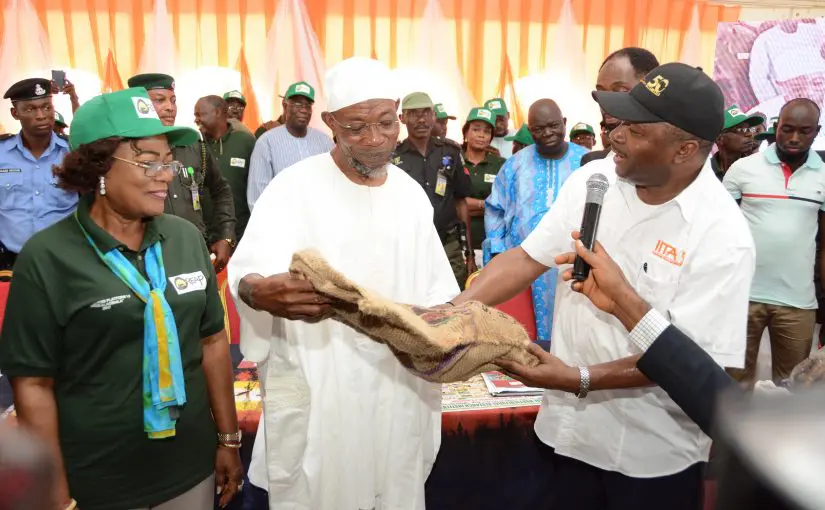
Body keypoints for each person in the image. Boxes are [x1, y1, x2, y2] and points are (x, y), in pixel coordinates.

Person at [456, 63, 755, 510]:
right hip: (564, 434)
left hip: (649, 456)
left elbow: (693, 364)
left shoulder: (722, 235)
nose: (615, 135)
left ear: (685, 149)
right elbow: (526, 258)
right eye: (619, 121)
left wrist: (578, 378)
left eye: (636, 129)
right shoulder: (593, 181)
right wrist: (450, 312)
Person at [228, 57, 458, 510]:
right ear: (330, 123)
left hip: (397, 385)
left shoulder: (410, 196)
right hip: (321, 383)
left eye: (385, 123)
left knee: (393, 485)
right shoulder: (293, 188)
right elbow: (246, 274)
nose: (374, 139)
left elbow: (438, 291)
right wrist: (260, 291)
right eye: (355, 128)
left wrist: (449, 325)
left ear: (398, 113)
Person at [0, 87, 243, 510]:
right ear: (97, 167)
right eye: (149, 162)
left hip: (190, 467)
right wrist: (54, 494)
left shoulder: (185, 238)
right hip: (96, 478)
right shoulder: (48, 257)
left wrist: (228, 439)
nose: (166, 175)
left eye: (168, 160)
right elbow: (33, 384)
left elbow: (212, 341)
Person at [723, 98, 823, 384]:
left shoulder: (823, 176)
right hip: (741, 296)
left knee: (792, 387)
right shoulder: (742, 170)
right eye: (787, 129)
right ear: (777, 126)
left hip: (798, 302)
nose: (794, 138)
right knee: (733, 387)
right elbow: (720, 235)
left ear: (816, 132)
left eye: (804, 131)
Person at [484, 99, 587, 342]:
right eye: (539, 129)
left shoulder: (586, 161)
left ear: (564, 123)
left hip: (573, 265)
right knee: (524, 336)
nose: (547, 133)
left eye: (553, 126)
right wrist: (499, 251)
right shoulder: (515, 165)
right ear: (530, 131)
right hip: (524, 264)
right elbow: (495, 208)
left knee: (571, 335)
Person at [127, 73, 237, 274]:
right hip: (147, 260)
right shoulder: (124, 153)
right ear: (137, 104)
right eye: (159, 100)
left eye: (173, 100)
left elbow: (221, 190)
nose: (170, 107)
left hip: (194, 253)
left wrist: (226, 235)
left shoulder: (193, 145)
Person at [395, 92, 475, 288]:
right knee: (413, 297)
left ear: (433, 116)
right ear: (402, 118)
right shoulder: (393, 158)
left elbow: (461, 202)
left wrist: (469, 253)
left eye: (426, 112)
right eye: (414, 113)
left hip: (449, 245)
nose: (421, 119)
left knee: (455, 297)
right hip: (409, 247)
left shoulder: (450, 152)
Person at [0, 78, 75, 272]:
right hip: (10, 262)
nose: (41, 116)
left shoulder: (72, 152)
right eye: (30, 109)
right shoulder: (1, 153)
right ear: (15, 113)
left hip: (66, 259)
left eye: (47, 107)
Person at [246, 81, 334, 210]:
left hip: (319, 217)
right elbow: (257, 196)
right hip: (282, 218)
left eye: (308, 105)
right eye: (298, 104)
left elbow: (333, 183)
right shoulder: (266, 142)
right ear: (285, 106)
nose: (303, 110)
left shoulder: (325, 142)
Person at [581, 47, 660, 167]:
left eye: (620, 91)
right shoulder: (593, 165)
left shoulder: (675, 164)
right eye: (601, 92)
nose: (607, 101)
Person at [195, 95, 255, 241]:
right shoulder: (195, 144)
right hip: (203, 233)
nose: (196, 120)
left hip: (240, 232)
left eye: (200, 114)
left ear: (217, 112)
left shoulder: (245, 141)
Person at [462, 107, 505, 268]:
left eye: (487, 131)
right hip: (459, 244)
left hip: (491, 243)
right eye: (476, 129)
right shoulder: (454, 160)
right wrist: (486, 205)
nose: (481, 135)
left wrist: (468, 204)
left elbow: (503, 205)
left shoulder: (500, 164)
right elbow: (451, 203)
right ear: (466, 132)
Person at [711, 104, 764, 180]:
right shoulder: (704, 172)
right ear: (719, 139)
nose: (749, 134)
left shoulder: (759, 168)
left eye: (748, 129)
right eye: (740, 129)